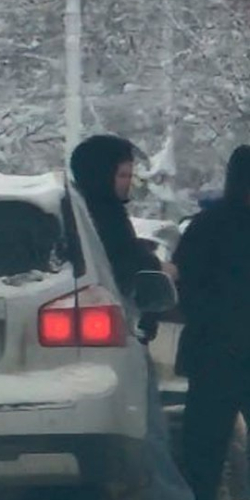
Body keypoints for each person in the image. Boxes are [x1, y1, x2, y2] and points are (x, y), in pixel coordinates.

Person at [70, 134, 193, 500]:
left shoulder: (78, 214)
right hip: (116, 340)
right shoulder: (103, 217)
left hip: (77, 358)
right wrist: (158, 269)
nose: (128, 184)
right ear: (101, 175)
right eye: (122, 175)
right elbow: (125, 266)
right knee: (146, 428)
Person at [173, 145, 250, 500]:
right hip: (217, 351)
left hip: (214, 350)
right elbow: (185, 285)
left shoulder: (206, 226)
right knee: (204, 449)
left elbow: (184, 285)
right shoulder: (209, 226)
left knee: (203, 448)